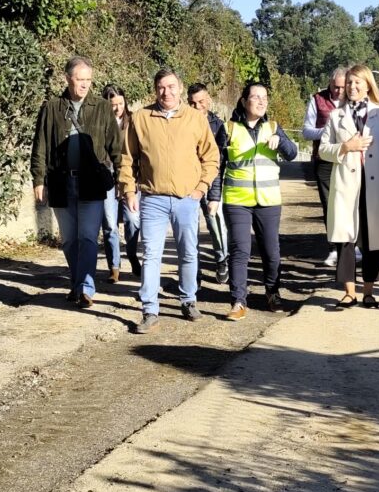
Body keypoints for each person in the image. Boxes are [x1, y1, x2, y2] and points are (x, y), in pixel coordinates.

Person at [118, 68, 220, 334]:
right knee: (151, 255)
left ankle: (188, 300)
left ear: (181, 88)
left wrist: (201, 188)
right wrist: (129, 191)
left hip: (187, 198)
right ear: (155, 90)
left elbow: (211, 157)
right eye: (162, 87)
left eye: (172, 87)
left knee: (188, 252)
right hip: (152, 198)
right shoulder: (141, 118)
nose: (167, 92)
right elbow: (127, 158)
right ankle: (150, 310)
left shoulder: (195, 119)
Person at [31, 57, 122, 308]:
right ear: (67, 79)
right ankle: (76, 283)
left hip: (92, 183)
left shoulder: (102, 107)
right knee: (70, 239)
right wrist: (39, 179)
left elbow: (115, 145)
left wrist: (123, 177)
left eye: (88, 80)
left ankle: (85, 287)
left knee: (88, 238)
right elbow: (40, 145)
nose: (84, 85)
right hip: (61, 182)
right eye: (80, 80)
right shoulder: (52, 107)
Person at [318, 65, 379, 309]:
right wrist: (345, 147)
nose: (352, 87)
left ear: (368, 85)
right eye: (349, 83)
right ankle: (348, 292)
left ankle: (368, 291)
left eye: (358, 83)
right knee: (345, 238)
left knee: (372, 237)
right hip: (347, 185)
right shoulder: (336, 115)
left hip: (375, 184)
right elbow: (324, 150)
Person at [220, 83, 299, 321]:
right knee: (239, 251)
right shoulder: (229, 128)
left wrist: (280, 140)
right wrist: (214, 196)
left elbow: (292, 153)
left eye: (265, 97)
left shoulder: (273, 127)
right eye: (256, 97)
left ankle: (273, 293)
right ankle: (238, 301)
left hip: (268, 201)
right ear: (244, 102)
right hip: (237, 200)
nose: (261, 101)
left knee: (271, 251)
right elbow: (217, 165)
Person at [186, 83, 230, 285]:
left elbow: (219, 163)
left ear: (209, 100)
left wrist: (214, 195)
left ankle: (221, 259)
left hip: (210, 181)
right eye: (192, 103)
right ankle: (195, 268)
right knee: (190, 228)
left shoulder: (218, 125)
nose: (197, 107)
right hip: (188, 184)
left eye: (201, 102)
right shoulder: (183, 122)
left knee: (214, 222)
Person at [302, 67, 346, 267]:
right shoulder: (316, 100)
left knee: (349, 204)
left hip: (348, 160)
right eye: (335, 87)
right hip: (324, 161)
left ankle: (352, 246)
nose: (339, 91)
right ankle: (334, 248)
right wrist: (329, 131)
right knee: (329, 207)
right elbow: (307, 131)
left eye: (342, 87)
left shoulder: (354, 101)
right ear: (329, 84)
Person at [100, 85, 141, 281]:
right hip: (107, 175)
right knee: (109, 223)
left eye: (121, 103)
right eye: (113, 104)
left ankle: (132, 255)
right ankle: (114, 267)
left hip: (130, 176)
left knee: (132, 220)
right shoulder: (100, 123)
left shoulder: (133, 122)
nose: (118, 108)